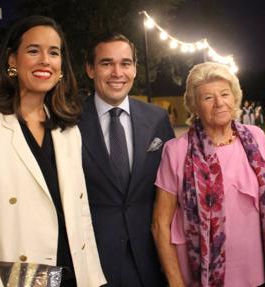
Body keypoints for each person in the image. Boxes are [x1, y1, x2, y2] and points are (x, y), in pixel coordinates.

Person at [0, 16, 106, 287]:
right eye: (33, 50)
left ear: (61, 66)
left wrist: (94, 279)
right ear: (12, 60)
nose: (45, 60)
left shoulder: (67, 130)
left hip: (73, 276)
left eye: (53, 53)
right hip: (16, 280)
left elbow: (80, 214)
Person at [152, 62, 265, 287]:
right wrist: (175, 282)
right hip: (200, 276)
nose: (219, 103)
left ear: (234, 98)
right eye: (208, 98)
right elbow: (160, 224)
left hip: (257, 270)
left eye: (225, 94)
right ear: (194, 106)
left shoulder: (255, 137)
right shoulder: (176, 151)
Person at [78, 32, 174, 287]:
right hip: (92, 259)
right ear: (90, 69)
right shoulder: (67, 120)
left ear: (134, 69)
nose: (117, 72)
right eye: (106, 63)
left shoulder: (157, 119)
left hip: (150, 258)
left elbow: (171, 188)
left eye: (125, 63)